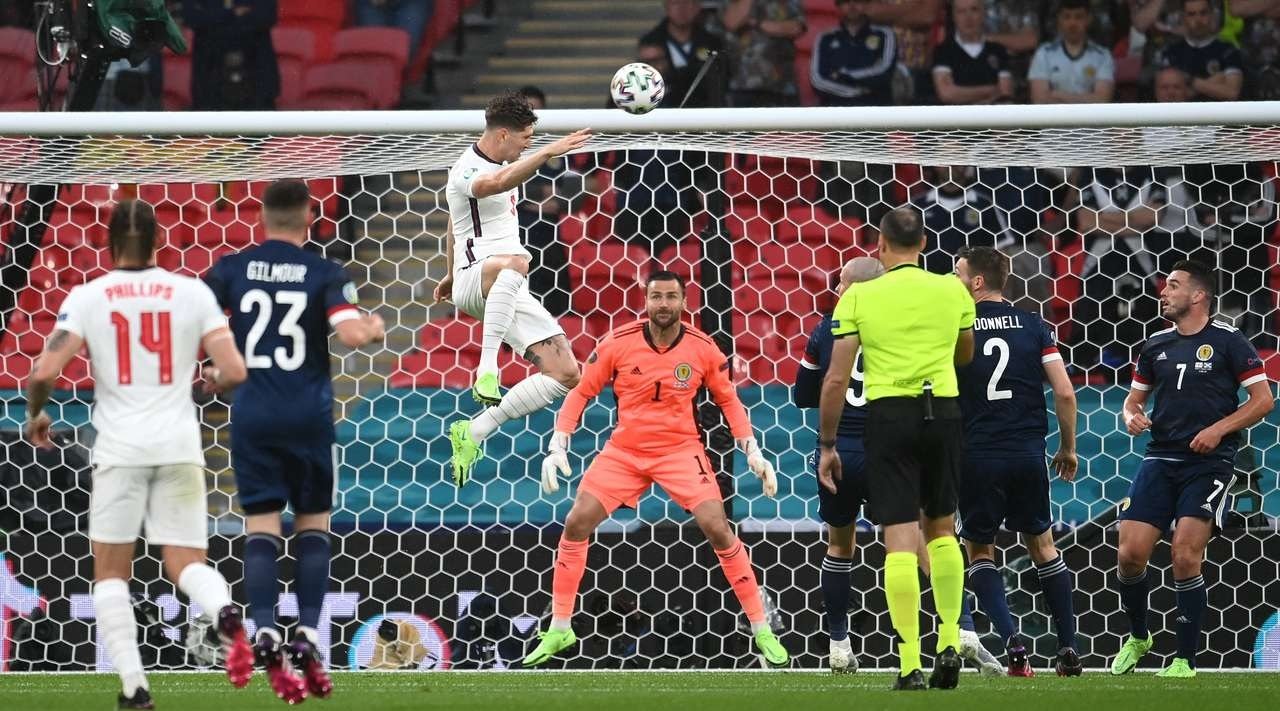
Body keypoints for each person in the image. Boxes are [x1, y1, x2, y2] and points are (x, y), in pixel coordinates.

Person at [23, 200, 253, 710]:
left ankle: (135, 689)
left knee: (110, 574)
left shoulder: (89, 296)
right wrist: (213, 378)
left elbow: (43, 372)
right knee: (186, 565)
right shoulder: (191, 293)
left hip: (119, 449)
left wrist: (37, 414)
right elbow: (236, 371)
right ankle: (225, 613)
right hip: (179, 446)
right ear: (159, 240)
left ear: (107, 242)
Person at [522, 271, 787, 668]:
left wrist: (752, 450)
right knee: (576, 522)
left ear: (684, 302)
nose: (663, 304)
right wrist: (558, 442)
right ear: (645, 301)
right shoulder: (617, 342)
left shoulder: (702, 348)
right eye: (656, 297)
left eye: (671, 297)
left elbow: (729, 401)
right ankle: (560, 627)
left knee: (717, 527)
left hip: (681, 451)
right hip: (625, 452)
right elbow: (581, 391)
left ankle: (761, 629)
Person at [204, 180, 386, 703]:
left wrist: (216, 369)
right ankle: (306, 632)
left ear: (262, 215)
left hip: (252, 413)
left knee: (261, 525)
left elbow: (197, 322)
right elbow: (350, 335)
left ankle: (264, 628)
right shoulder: (325, 272)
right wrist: (374, 328)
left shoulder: (232, 269)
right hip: (308, 416)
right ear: (310, 215)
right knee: (313, 523)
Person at [794, 257, 1001, 676]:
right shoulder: (899, 325)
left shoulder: (826, 329)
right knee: (924, 539)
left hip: (843, 451)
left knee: (840, 544)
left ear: (859, 288)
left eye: (842, 284)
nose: (837, 291)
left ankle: (839, 644)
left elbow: (803, 394)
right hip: (890, 445)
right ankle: (961, 629)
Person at [817, 207, 975, 690]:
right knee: (942, 530)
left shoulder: (859, 295)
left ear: (881, 246)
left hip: (890, 417)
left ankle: (909, 665)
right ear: (924, 243)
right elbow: (965, 353)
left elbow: (837, 378)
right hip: (943, 412)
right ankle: (949, 639)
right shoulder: (952, 288)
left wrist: (827, 443)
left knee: (900, 539)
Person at [1112, 260, 1273, 678]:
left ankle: (1184, 660)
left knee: (1184, 554)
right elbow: (1133, 401)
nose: (1163, 292)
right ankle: (1139, 636)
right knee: (1129, 555)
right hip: (1160, 457)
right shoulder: (1155, 344)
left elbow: (1263, 400)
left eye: (1173, 285)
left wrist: (1218, 429)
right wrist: (1131, 417)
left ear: (1198, 295)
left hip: (1209, 463)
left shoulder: (1229, 340)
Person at [438, 92, 592, 484]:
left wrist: (447, 273)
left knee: (566, 373)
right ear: (503, 134)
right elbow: (494, 184)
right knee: (519, 261)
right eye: (525, 139)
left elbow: (455, 222)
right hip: (479, 277)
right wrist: (548, 152)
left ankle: (474, 430)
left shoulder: (504, 163)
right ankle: (487, 369)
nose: (528, 146)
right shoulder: (467, 169)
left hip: (502, 285)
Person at [953, 246, 1083, 677]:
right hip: (1027, 452)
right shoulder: (1034, 325)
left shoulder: (957, 327)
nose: (952, 280)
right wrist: (1067, 448)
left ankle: (1013, 644)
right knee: (1043, 547)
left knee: (979, 551)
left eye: (957, 273)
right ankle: (1069, 648)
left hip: (977, 454)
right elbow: (1064, 392)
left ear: (976, 282)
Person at [184, 0, 280, 110]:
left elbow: (267, 16)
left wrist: (218, 18)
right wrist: (231, 13)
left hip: (256, 75)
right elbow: (191, 18)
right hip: (210, 75)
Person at [638, 0, 727, 108]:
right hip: (663, 110)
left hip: (703, 109)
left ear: (697, 7)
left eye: (687, 2)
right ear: (666, 6)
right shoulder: (651, 42)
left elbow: (720, 83)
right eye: (676, 3)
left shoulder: (712, 43)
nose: (681, 8)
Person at [810, 0, 898, 106]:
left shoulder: (884, 34)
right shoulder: (825, 38)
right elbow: (818, 81)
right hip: (836, 110)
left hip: (875, 109)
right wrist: (855, 92)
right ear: (838, 5)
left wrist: (843, 76)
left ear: (866, 4)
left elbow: (884, 72)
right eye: (846, 1)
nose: (852, 5)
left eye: (857, 1)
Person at [721, 0, 806, 107]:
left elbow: (796, 28)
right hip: (744, 83)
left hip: (781, 83)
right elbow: (731, 22)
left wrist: (758, 23)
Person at [1028, 0, 1115, 104]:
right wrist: (1087, 98)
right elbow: (1039, 99)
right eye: (1066, 17)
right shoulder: (1043, 54)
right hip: (1055, 115)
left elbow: (1102, 100)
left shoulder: (1103, 56)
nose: (1072, 23)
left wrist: (1060, 95)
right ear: (1059, 19)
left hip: (1089, 115)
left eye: (1078, 17)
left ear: (1088, 19)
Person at [1156, 0, 1244, 101]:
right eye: (1191, 14)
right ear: (1183, 18)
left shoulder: (1228, 50)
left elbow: (1232, 93)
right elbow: (1168, 96)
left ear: (1212, 15)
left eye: (1203, 13)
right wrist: (1214, 81)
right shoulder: (1171, 52)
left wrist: (1190, 81)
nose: (1198, 20)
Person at [932, 0, 1014, 104]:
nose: (968, 18)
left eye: (974, 10)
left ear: (984, 13)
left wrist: (962, 94)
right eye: (961, 11)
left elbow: (1005, 93)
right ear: (953, 17)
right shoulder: (943, 51)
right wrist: (989, 91)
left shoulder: (998, 50)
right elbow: (946, 94)